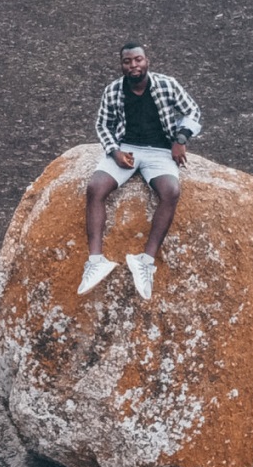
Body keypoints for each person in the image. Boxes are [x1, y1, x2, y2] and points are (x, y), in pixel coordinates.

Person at [79, 41, 203, 300]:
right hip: (127, 148)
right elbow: (103, 124)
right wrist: (115, 151)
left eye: (138, 60)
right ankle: (95, 261)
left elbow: (192, 111)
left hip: (160, 152)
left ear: (147, 61)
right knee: (95, 187)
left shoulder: (167, 85)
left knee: (171, 191)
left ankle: (145, 261)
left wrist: (180, 140)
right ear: (121, 65)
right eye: (128, 62)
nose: (134, 66)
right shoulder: (113, 91)